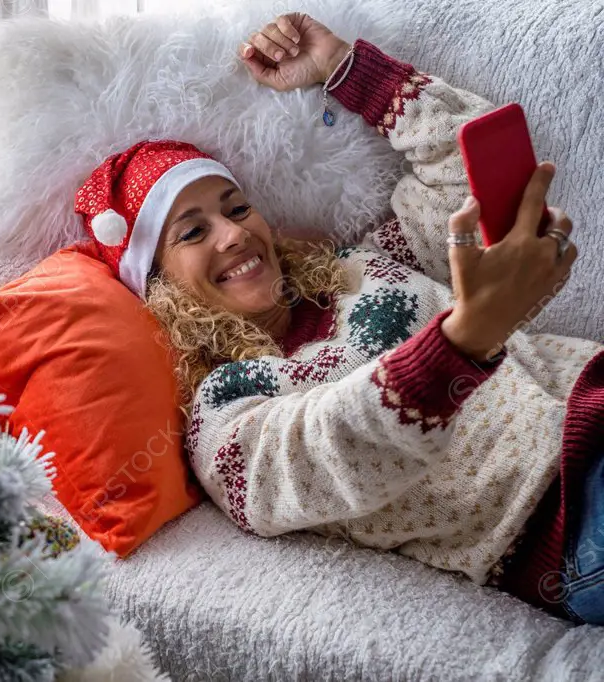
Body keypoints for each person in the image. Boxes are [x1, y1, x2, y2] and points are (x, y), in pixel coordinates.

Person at [73, 13, 604, 624]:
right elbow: (330, 451)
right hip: (564, 514)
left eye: (237, 207)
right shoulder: (225, 414)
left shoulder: (359, 268)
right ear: (158, 285)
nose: (234, 234)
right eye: (193, 231)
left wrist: (345, 68)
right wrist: (464, 341)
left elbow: (470, 181)